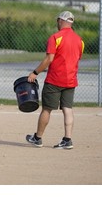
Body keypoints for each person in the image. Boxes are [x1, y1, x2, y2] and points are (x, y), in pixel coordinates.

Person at [26, 11, 84, 149]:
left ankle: (38, 138)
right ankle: (67, 139)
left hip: (54, 80)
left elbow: (49, 59)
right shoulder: (80, 40)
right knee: (67, 109)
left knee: (47, 109)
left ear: (60, 21)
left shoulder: (55, 37)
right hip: (71, 80)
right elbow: (76, 59)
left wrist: (35, 73)